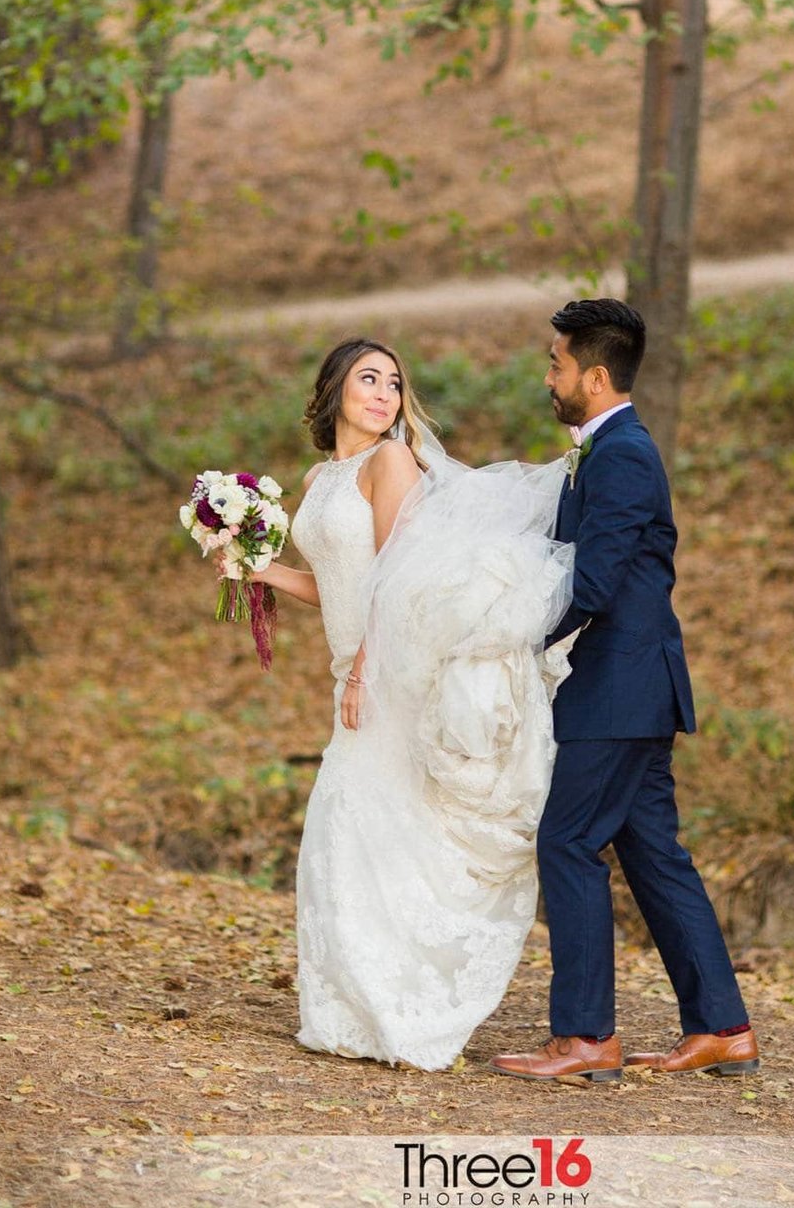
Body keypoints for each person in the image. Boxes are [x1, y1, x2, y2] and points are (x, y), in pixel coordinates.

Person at [233, 336, 574, 1071]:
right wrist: (262, 573)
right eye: (368, 379)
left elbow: (400, 574)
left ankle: (408, 1009)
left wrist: (365, 669)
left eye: (393, 382)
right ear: (334, 390)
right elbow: (339, 581)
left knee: (359, 824)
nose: (384, 393)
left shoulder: (391, 461)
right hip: (351, 668)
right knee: (359, 833)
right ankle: (351, 1012)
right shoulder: (322, 476)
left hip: (387, 670)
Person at [491, 298, 759, 1083]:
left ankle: (585, 1037)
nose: (549, 376)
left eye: (556, 363)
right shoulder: (606, 450)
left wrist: (509, 640)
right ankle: (723, 1027)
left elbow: (594, 579)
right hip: (634, 687)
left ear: (595, 376)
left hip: (615, 685)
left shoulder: (624, 455)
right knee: (654, 856)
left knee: (566, 841)